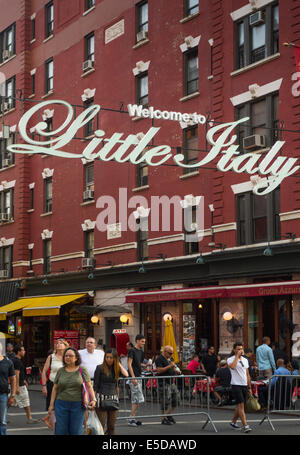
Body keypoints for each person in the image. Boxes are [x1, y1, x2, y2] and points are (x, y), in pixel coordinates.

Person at [47, 347, 96, 435]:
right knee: (61, 431)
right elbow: (55, 388)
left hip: (78, 405)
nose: (68, 358)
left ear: (76, 358)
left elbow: (89, 386)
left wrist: (94, 399)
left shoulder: (82, 370)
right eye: (66, 356)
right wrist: (51, 405)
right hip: (61, 404)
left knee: (75, 431)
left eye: (70, 356)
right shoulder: (60, 371)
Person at [94, 348, 128, 435]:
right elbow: (96, 385)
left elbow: (126, 374)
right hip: (101, 397)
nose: (108, 359)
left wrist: (118, 364)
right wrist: (93, 400)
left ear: (115, 359)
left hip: (114, 398)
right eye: (107, 357)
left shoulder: (116, 369)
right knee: (101, 426)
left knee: (111, 427)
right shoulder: (99, 368)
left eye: (111, 357)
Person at [227, 342, 253, 433]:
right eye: (238, 349)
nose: (240, 351)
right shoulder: (230, 359)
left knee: (240, 405)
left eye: (241, 349)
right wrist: (237, 357)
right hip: (236, 385)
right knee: (241, 405)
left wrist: (249, 387)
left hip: (244, 385)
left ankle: (233, 422)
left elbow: (247, 374)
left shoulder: (245, 360)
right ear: (234, 350)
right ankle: (245, 425)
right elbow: (233, 367)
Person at [12, 345, 39, 424]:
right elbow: (16, 374)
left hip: (19, 383)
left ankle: (2, 417)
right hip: (19, 385)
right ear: (18, 352)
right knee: (26, 401)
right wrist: (17, 387)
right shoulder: (17, 361)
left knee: (9, 402)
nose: (24, 352)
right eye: (23, 350)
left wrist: (23, 380)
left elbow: (19, 373)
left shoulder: (16, 360)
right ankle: (29, 418)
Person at [155, 345, 181, 425]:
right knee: (165, 400)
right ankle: (164, 418)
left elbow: (174, 367)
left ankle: (169, 414)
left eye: (172, 353)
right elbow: (159, 370)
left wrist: (177, 371)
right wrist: (169, 366)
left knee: (176, 399)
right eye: (170, 353)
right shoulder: (159, 359)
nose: (171, 355)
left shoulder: (171, 359)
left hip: (171, 382)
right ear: (165, 352)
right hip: (163, 382)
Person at [41, 338, 69, 410]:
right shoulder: (51, 357)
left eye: (61, 343)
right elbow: (44, 371)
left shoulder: (68, 357)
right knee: (52, 407)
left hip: (66, 385)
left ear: (65, 345)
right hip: (52, 384)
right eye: (57, 343)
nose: (58, 344)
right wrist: (44, 386)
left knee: (64, 407)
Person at [127, 334, 146, 427]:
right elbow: (129, 364)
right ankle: (131, 418)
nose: (143, 343)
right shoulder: (132, 350)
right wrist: (133, 377)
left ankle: (133, 418)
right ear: (137, 341)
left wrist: (146, 366)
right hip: (134, 377)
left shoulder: (141, 352)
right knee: (137, 397)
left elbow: (139, 363)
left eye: (144, 342)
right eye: (142, 341)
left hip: (139, 376)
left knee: (136, 398)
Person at [0, 342, 16, 435]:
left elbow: (13, 379)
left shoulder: (8, 362)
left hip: (3, 395)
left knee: (2, 421)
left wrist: (12, 395)